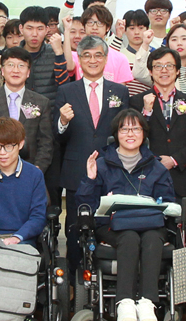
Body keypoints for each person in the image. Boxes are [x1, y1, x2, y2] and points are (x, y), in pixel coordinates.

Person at [77, 109, 176, 321]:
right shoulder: (102, 165)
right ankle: (124, 302)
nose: (130, 134)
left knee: (151, 238)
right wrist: (90, 179)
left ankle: (148, 302)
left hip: (151, 225)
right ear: (116, 134)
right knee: (129, 237)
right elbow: (86, 205)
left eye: (136, 129)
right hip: (112, 227)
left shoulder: (157, 167)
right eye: (124, 129)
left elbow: (169, 203)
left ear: (144, 133)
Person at [54, 36, 134, 230]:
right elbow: (58, 136)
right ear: (79, 60)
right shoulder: (66, 91)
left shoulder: (120, 91)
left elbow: (125, 132)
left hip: (112, 168)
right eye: (87, 55)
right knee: (75, 225)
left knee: (110, 226)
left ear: (105, 59)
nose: (93, 60)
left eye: (98, 55)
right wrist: (62, 121)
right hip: (77, 168)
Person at [139, 47, 186, 234]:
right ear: (150, 71)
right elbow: (132, 138)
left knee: (183, 235)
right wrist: (146, 113)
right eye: (158, 66)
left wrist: (174, 160)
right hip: (148, 179)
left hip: (183, 179)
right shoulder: (137, 101)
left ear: (177, 71)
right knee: (151, 233)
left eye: (169, 66)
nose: (164, 70)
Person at [0, 46, 54, 172]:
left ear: (28, 72)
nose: (15, 70)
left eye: (21, 66)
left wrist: (37, 170)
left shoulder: (41, 102)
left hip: (28, 169)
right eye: (10, 65)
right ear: (2, 70)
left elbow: (46, 142)